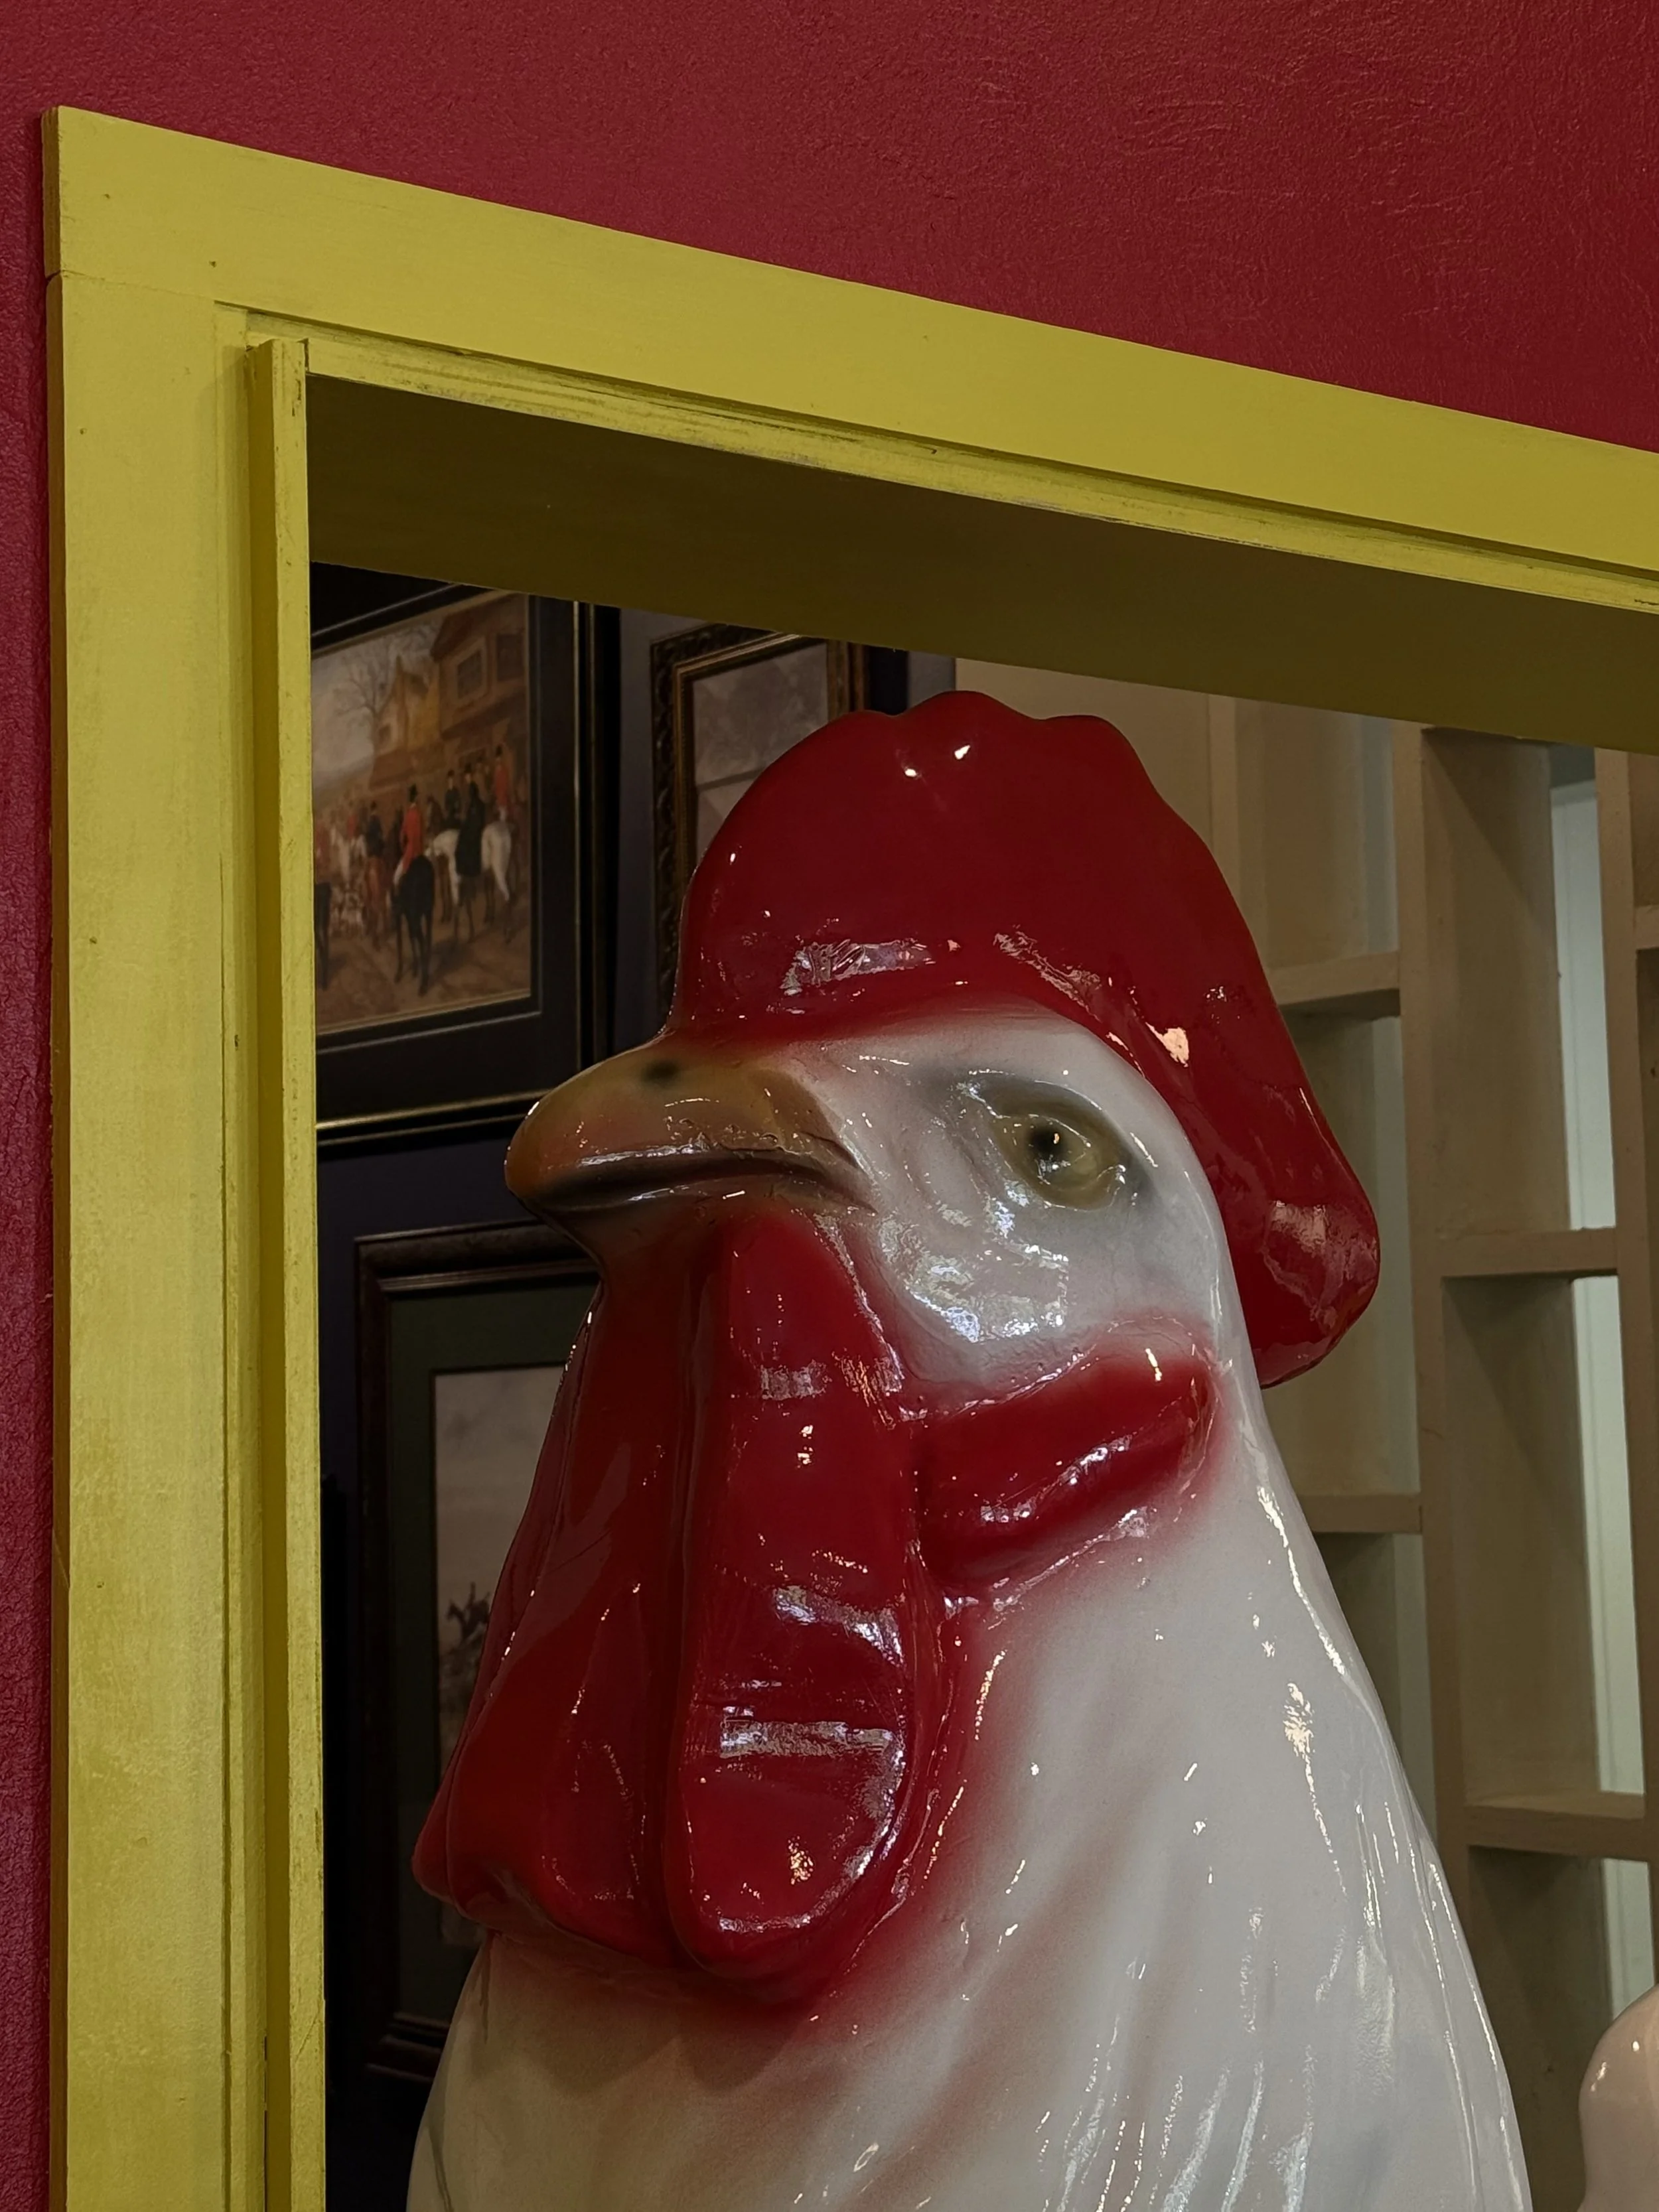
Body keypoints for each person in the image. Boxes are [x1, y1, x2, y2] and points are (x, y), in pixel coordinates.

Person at [396, 782, 424, 889]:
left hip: (410, 850)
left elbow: (401, 836)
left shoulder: (408, 815)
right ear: (416, 798)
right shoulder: (419, 813)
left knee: (398, 878)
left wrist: (404, 849)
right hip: (419, 850)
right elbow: (421, 834)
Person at [492, 743, 514, 823]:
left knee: (503, 819)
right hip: (498, 799)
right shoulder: (496, 771)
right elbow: (496, 786)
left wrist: (500, 799)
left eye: (499, 759)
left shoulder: (504, 771)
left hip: (503, 799)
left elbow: (505, 786)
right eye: (497, 759)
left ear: (501, 759)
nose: (498, 761)